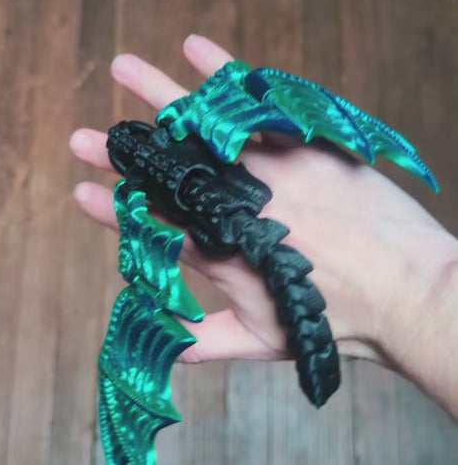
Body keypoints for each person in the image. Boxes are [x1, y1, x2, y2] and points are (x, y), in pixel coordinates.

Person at [69, 34, 458, 421]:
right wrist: (423, 293)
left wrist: (423, 299)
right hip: (221, 207)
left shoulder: (142, 179)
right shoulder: (168, 146)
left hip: (222, 205)